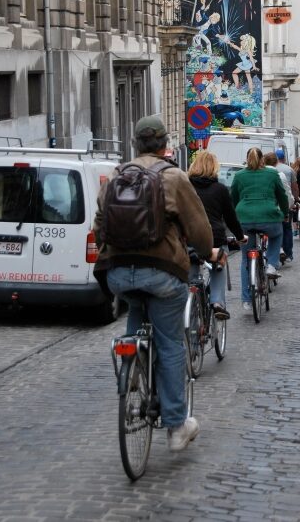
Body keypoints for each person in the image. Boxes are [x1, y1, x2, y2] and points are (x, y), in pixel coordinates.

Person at [93, 114, 213, 453]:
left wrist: (110, 255)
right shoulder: (173, 177)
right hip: (162, 272)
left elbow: (99, 224)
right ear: (164, 145)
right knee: (172, 341)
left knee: (137, 305)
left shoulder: (117, 175)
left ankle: (133, 365)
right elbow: (199, 227)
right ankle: (177, 425)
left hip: (119, 273)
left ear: (135, 143)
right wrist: (208, 252)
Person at [188, 151, 246, 320]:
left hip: (189, 237)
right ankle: (217, 302)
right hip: (213, 237)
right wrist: (240, 236)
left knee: (191, 273)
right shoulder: (220, 189)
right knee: (218, 265)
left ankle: (189, 306)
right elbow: (230, 217)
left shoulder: (186, 187)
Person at [230, 147, 289, 311]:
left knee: (245, 259)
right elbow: (282, 196)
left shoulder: (239, 175)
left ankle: (246, 300)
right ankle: (271, 264)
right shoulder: (271, 174)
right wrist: (284, 213)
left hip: (245, 220)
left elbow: (233, 197)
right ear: (262, 159)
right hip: (268, 217)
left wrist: (237, 213)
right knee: (277, 235)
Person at [275, 148, 299, 263]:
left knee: (275, 228)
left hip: (273, 204)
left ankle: (277, 250)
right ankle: (288, 253)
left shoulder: (268, 169)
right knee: (287, 227)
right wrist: (296, 200)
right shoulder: (289, 170)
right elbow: (294, 187)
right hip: (286, 202)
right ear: (284, 158)